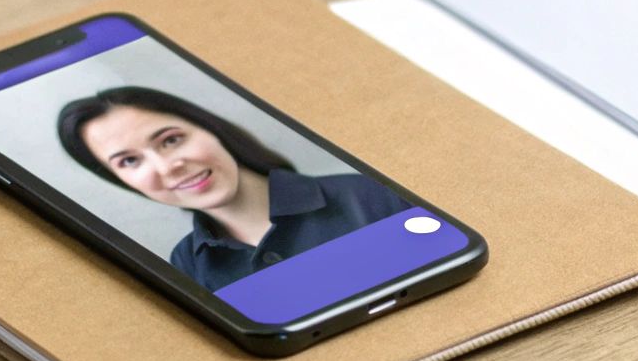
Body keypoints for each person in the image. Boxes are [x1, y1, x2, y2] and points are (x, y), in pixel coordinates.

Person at [56, 86, 408, 292]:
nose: (167, 167)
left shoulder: (371, 195)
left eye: (171, 139)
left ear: (210, 129)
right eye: (129, 162)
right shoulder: (185, 269)